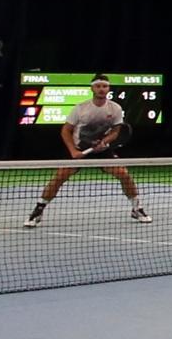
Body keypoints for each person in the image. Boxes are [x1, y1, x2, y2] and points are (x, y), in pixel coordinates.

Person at [24, 74, 150, 228]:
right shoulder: (81, 108)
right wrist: (72, 151)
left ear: (108, 88)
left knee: (123, 174)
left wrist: (104, 142)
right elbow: (66, 130)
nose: (101, 89)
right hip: (79, 148)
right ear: (92, 88)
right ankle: (38, 210)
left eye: (104, 86)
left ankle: (137, 208)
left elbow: (116, 131)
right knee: (60, 176)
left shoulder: (115, 108)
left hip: (102, 151)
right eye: (98, 86)